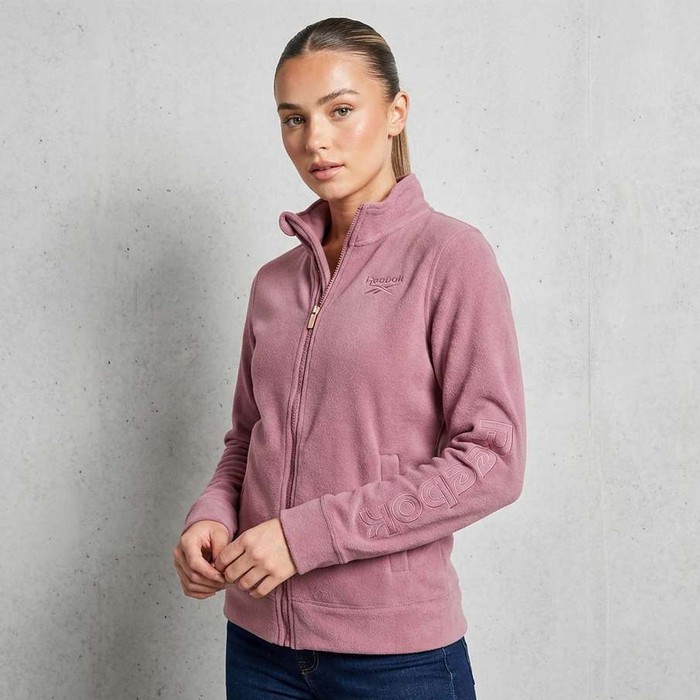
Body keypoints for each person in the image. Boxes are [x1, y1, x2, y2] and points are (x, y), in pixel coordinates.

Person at [172, 16, 526, 700]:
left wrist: (305, 537)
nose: (315, 140)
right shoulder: (274, 283)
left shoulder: (451, 259)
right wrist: (211, 514)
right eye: (294, 119)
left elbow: (493, 460)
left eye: (340, 110)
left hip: (395, 659)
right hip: (259, 649)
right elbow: (247, 438)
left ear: (396, 112)